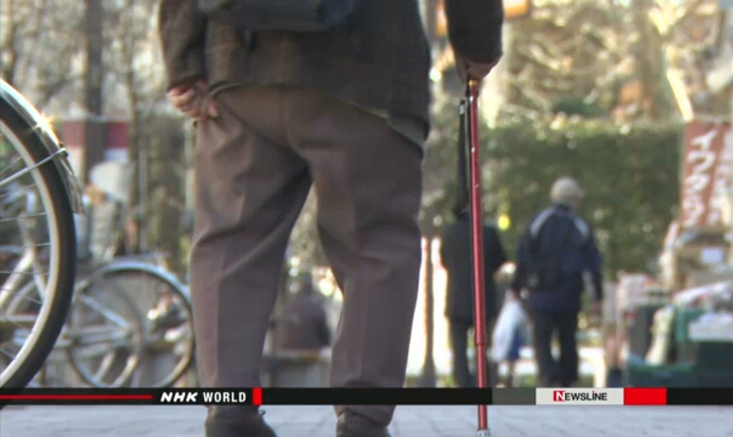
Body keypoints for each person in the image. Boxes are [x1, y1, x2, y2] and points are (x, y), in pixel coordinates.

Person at [158, 1, 504, 436]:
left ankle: (229, 409)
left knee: (233, 241)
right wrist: (476, 45)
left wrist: (182, 57)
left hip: (240, 59)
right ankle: (362, 417)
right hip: (371, 65)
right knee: (374, 248)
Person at [508, 177, 603, 388]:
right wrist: (597, 296)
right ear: (573, 199)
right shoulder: (579, 226)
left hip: (541, 291)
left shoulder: (539, 221)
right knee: (568, 336)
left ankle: (548, 376)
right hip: (570, 292)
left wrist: (516, 286)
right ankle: (568, 378)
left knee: (541, 337)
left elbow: (524, 255)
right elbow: (593, 264)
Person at [440, 204, 507, 388]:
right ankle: (482, 379)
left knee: (459, 346)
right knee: (483, 343)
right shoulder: (488, 232)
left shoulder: (449, 233)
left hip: (456, 297)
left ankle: (462, 381)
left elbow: (444, 260)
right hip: (482, 298)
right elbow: (500, 260)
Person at [279, 273, 332, 352]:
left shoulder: (289, 306)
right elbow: (325, 336)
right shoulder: (316, 307)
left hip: (286, 351)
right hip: (310, 352)